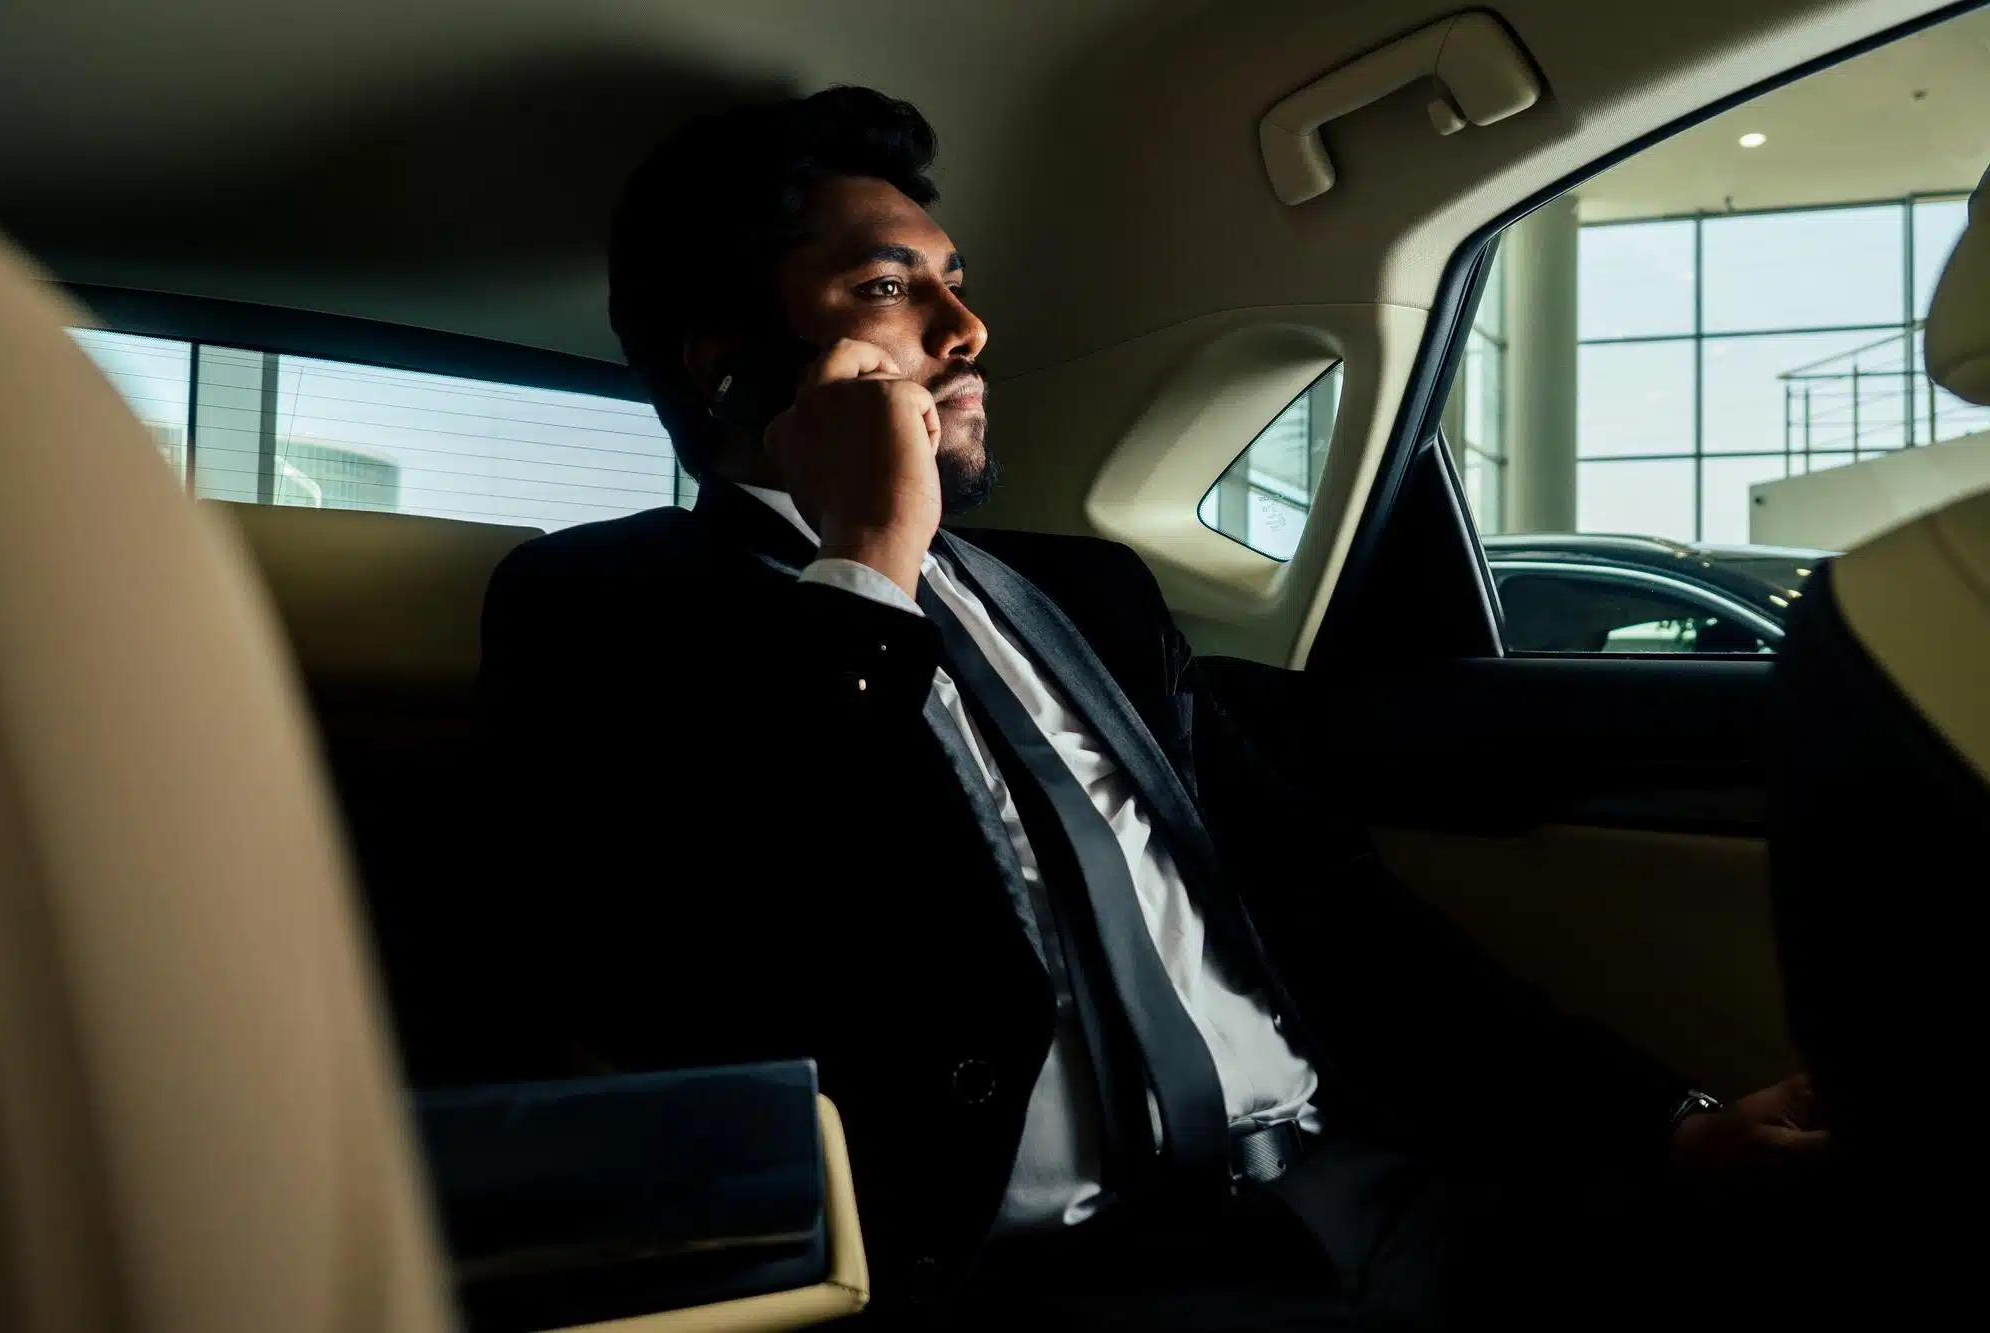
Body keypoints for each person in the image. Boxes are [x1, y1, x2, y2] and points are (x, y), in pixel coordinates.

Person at [476, 86, 1829, 1329]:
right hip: (1031, 1273)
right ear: (728, 366)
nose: (966, 330)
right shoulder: (593, 608)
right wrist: (870, 562)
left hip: (1356, 1192)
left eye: (956, 282)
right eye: (889, 287)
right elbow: (712, 954)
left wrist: (1661, 1120)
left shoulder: (1090, 593)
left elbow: (1330, 904)